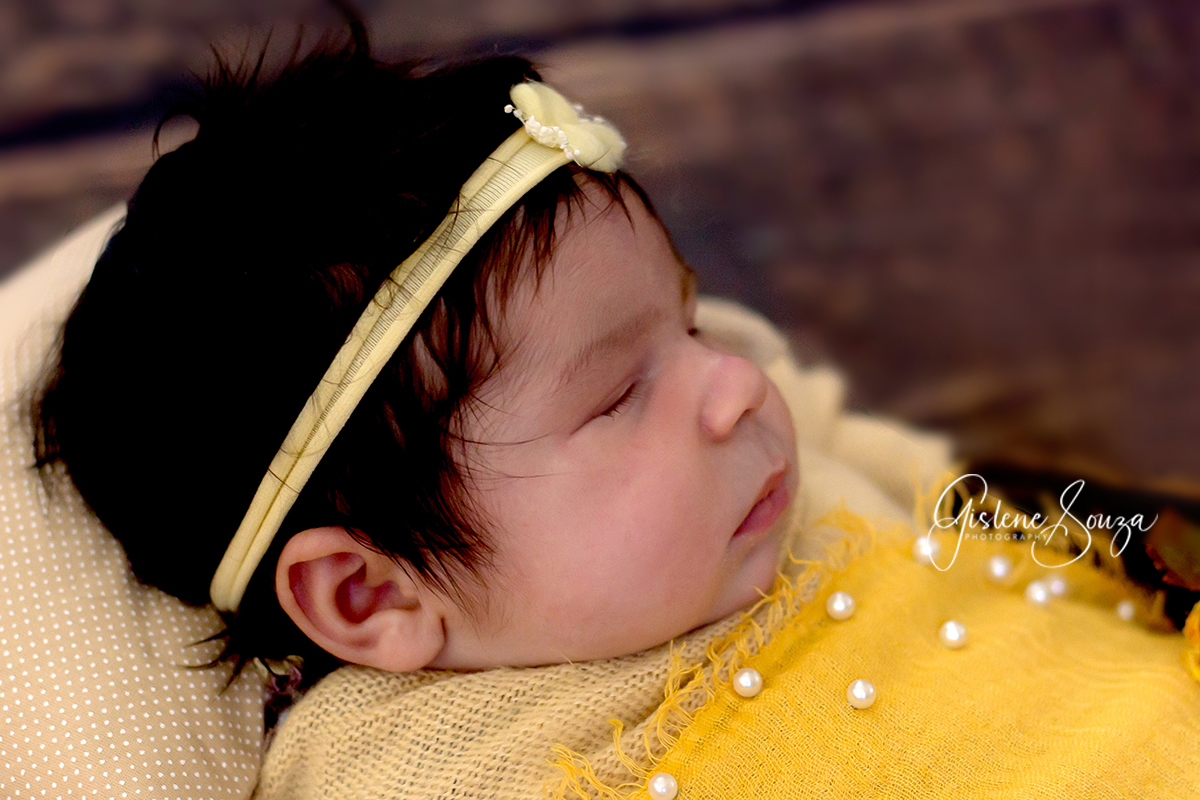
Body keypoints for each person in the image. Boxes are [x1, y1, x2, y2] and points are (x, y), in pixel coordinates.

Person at [28, 20, 1200, 800]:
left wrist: (1136, 538)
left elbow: (1006, 511)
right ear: (373, 592)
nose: (737, 380)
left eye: (687, 323)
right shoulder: (436, 771)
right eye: (619, 393)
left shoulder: (772, 484)